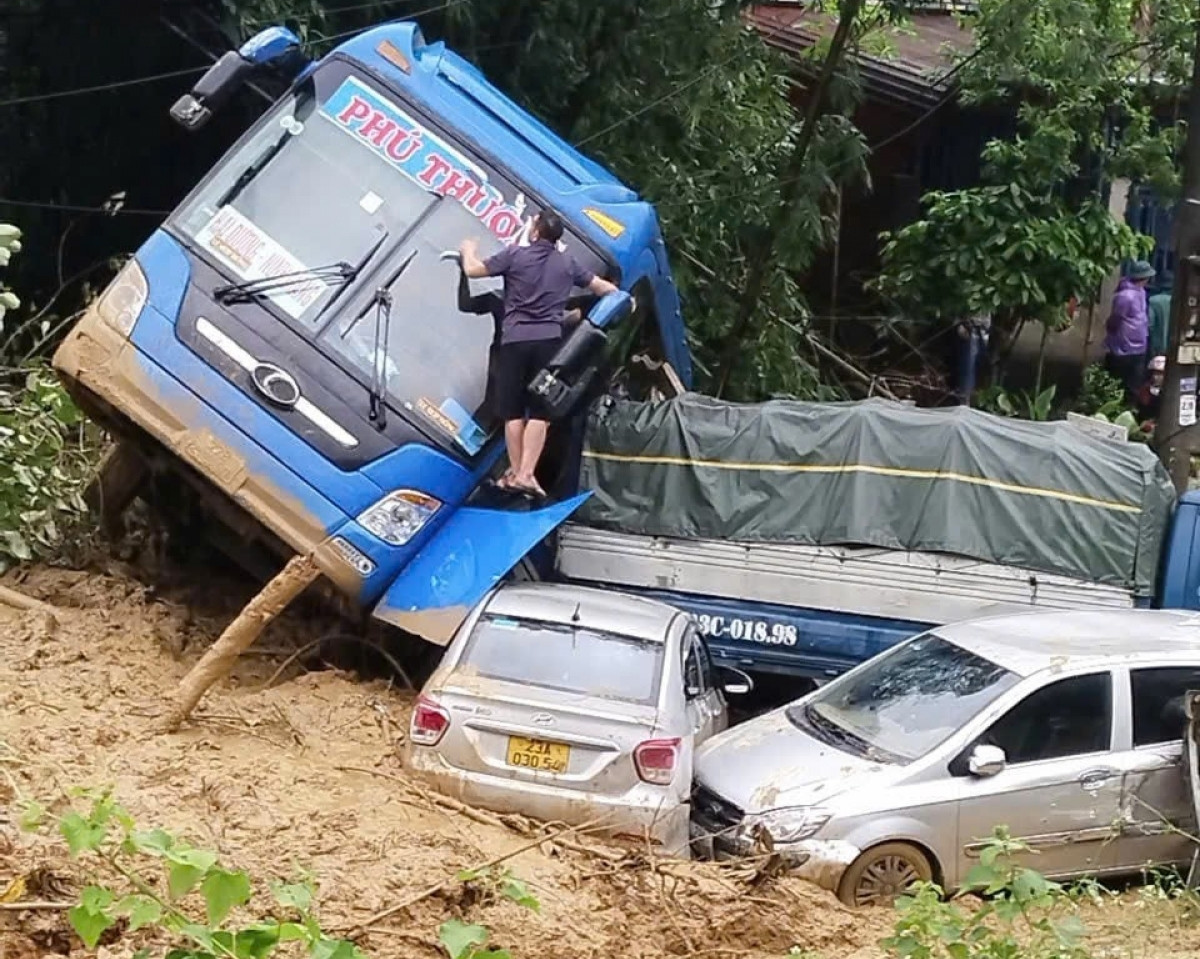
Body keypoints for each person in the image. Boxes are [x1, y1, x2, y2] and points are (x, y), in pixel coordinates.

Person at [459, 211, 616, 498]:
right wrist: (617, 301)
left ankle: (521, 473)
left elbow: (472, 270)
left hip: (513, 341)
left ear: (535, 232)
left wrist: (468, 250)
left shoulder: (515, 255)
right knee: (541, 413)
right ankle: (524, 474)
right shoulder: (568, 263)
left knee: (513, 412)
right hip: (547, 344)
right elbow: (605, 290)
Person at [1104, 260, 1155, 396]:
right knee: (1122, 382)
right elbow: (1116, 319)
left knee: (1134, 384)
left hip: (1138, 346)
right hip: (1123, 347)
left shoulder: (1141, 292)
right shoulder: (1125, 296)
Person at [1148, 280, 1172, 359]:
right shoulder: (1177, 301)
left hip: (1156, 344)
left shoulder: (1153, 300)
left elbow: (1150, 323)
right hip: (1172, 344)